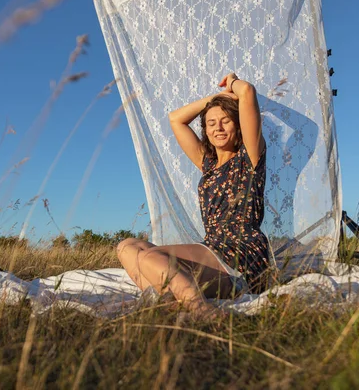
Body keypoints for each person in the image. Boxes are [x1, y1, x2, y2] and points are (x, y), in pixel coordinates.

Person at [116, 72, 271, 318]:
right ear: (205, 130)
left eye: (226, 120)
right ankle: (166, 300)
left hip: (240, 256)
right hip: (212, 248)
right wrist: (215, 99)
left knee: (150, 258)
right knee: (126, 246)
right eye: (211, 123)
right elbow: (176, 119)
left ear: (239, 126)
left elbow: (247, 91)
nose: (218, 127)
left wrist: (230, 83)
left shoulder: (248, 158)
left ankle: (201, 310)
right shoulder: (207, 164)